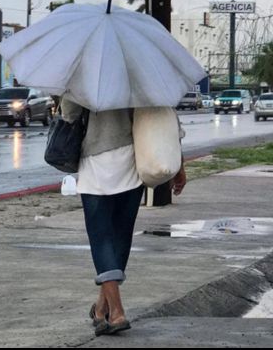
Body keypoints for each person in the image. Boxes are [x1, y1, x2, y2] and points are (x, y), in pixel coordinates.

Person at [60, 98, 187, 337]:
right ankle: (101, 309)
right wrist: (179, 163)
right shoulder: (142, 67)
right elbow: (166, 117)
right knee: (120, 235)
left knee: (101, 236)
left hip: (96, 159)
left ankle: (116, 312)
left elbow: (69, 114)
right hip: (134, 158)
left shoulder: (86, 70)